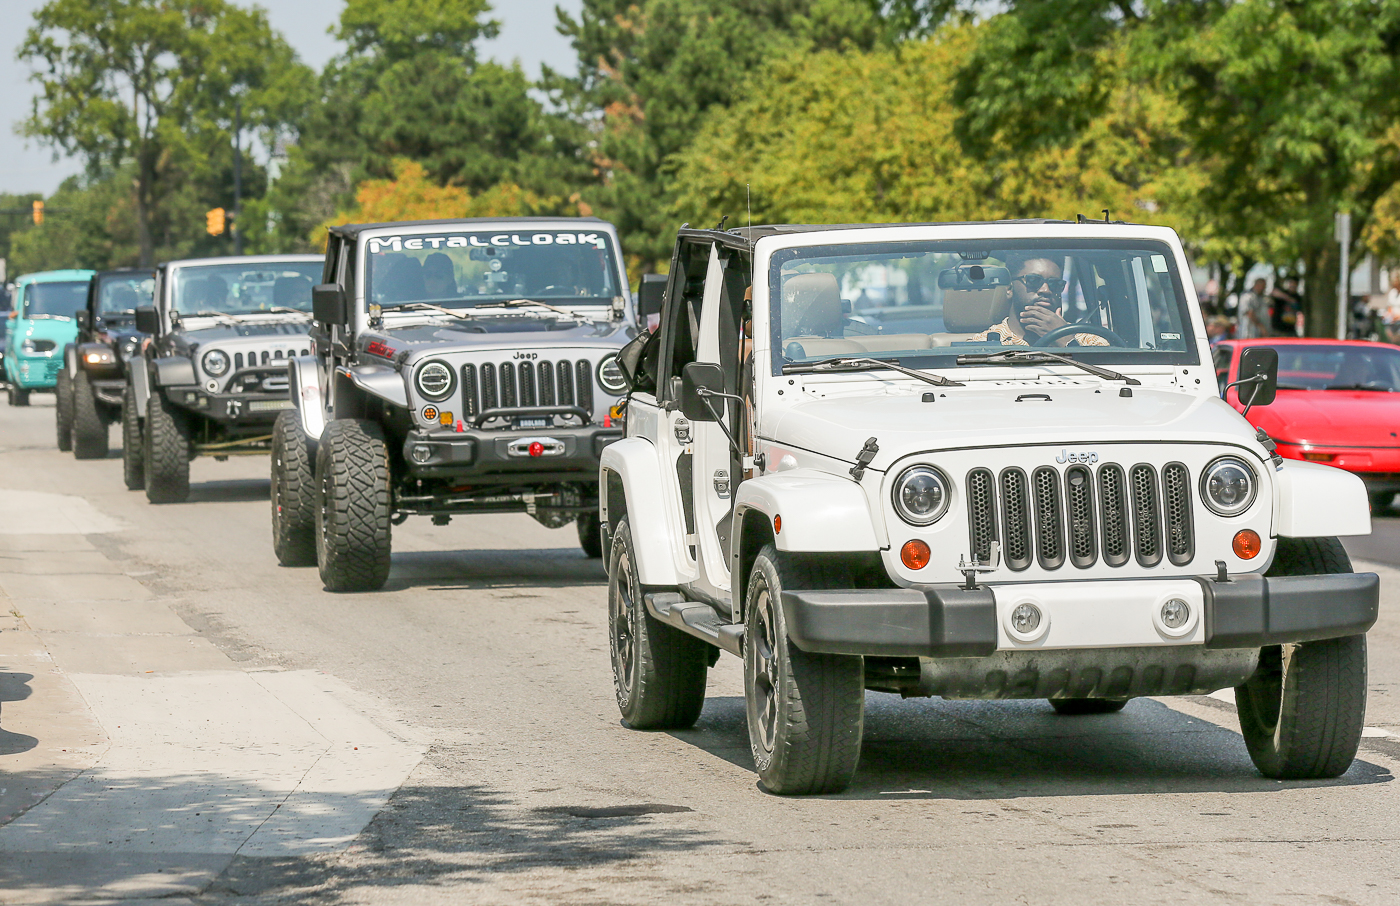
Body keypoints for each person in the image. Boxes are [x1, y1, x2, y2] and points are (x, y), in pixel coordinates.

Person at [971, 256, 1109, 347]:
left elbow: (1106, 376)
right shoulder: (983, 343)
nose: (1046, 290)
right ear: (1009, 288)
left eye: (1055, 284)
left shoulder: (1088, 341)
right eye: (1033, 280)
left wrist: (1065, 341)